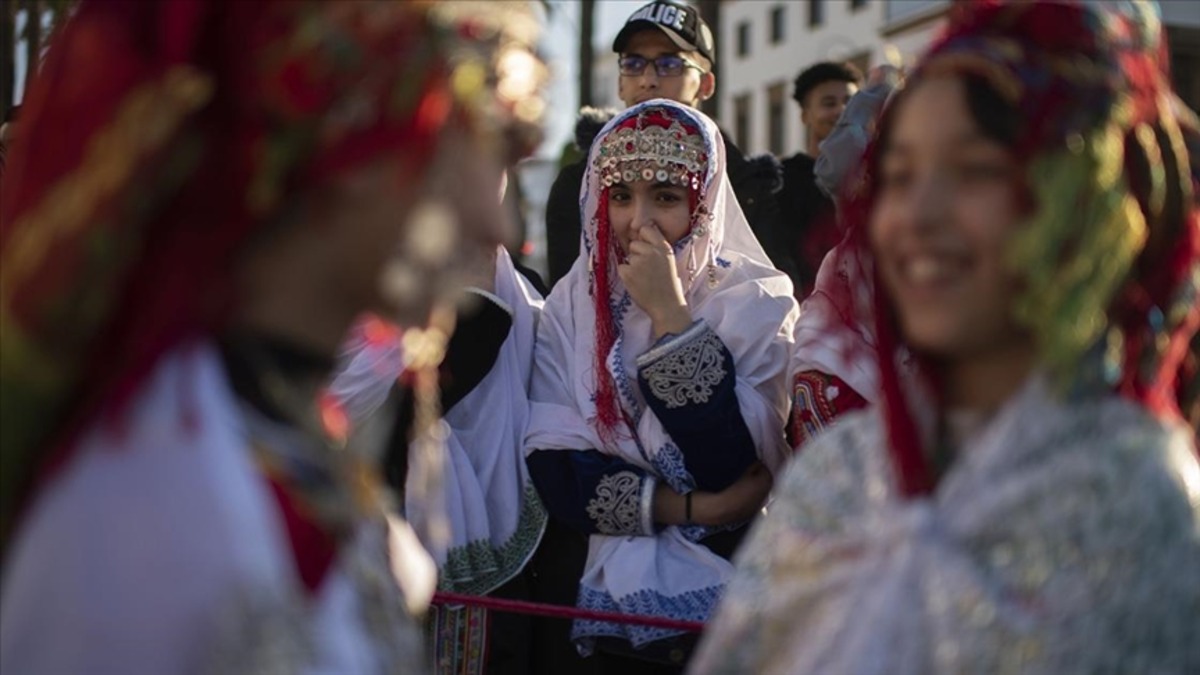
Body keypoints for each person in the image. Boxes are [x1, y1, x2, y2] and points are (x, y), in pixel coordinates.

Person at [0, 1, 544, 672]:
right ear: (348, 153)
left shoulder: (272, 433)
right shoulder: (156, 504)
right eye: (465, 150)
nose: (495, 220)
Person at [691, 1, 1200, 673]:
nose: (917, 216)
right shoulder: (845, 470)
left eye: (974, 170)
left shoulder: (1135, 503)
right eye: (898, 176)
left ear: (1076, 203)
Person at [525, 100, 798, 673]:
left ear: (704, 204)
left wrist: (672, 316)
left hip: (729, 610)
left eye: (667, 197)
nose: (637, 221)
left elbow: (733, 464)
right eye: (620, 196)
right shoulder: (570, 308)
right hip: (593, 620)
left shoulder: (758, 304)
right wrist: (691, 506)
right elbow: (557, 471)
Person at [543, 0, 784, 288]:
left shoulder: (750, 187)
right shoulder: (577, 184)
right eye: (633, 64)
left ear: (705, 84)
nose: (648, 80)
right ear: (620, 84)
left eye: (670, 64)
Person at [777, 61, 861, 297]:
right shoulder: (782, 182)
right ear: (805, 115)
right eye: (828, 103)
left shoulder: (881, 178)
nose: (841, 111)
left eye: (849, 102)